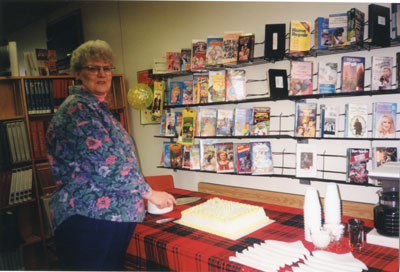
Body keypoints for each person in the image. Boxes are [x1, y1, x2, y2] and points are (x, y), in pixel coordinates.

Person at [45, 40, 175, 271]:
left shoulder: (96, 108)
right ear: (78, 73)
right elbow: (109, 165)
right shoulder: (78, 111)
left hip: (106, 217)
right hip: (89, 217)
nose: (102, 74)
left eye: (107, 68)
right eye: (93, 68)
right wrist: (150, 193)